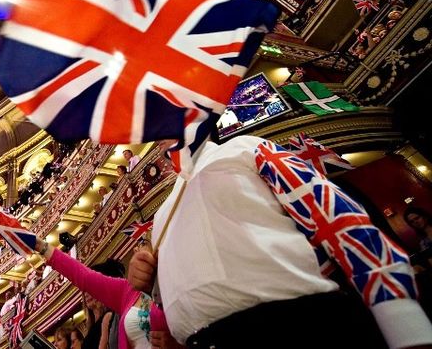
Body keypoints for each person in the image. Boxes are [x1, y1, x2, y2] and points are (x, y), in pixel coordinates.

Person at [127, 135, 432, 349]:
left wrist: (404, 322)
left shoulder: (245, 149)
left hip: (303, 326)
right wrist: (150, 282)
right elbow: (184, 300)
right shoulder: (162, 217)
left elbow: (340, 222)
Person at [35, 236, 177, 349]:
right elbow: (84, 276)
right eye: (138, 245)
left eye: (144, 242)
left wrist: (179, 345)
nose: (137, 249)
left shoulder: (174, 281)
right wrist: (40, 245)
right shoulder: (127, 291)